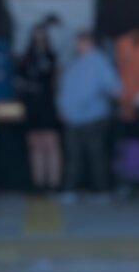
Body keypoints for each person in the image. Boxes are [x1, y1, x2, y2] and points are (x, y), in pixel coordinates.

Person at [57, 32, 121, 197]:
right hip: (73, 118)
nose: (77, 46)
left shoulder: (100, 62)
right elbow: (65, 88)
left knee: (96, 155)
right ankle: (69, 190)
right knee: (73, 156)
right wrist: (63, 108)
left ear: (89, 42)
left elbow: (114, 88)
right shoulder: (74, 62)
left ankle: (102, 190)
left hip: (94, 117)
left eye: (80, 42)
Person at [17, 22, 61, 191]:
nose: (39, 40)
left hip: (47, 104)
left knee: (50, 144)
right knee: (35, 145)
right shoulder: (27, 59)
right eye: (36, 37)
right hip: (32, 106)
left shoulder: (51, 57)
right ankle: (38, 182)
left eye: (42, 37)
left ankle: (53, 182)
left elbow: (55, 82)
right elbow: (20, 80)